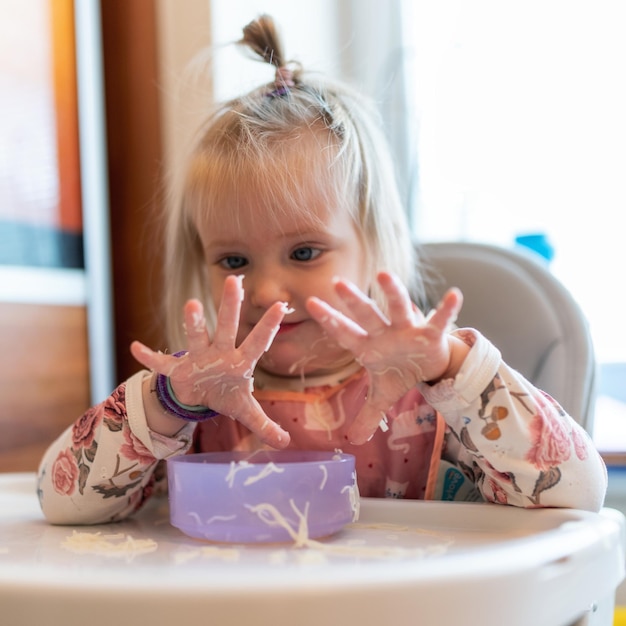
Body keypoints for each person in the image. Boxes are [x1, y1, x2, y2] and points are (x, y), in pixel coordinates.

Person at [37, 15, 606, 525]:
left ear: (375, 249)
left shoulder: (433, 399)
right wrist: (165, 404)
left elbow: (575, 495)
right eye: (233, 260)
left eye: (304, 252)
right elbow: (60, 502)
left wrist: (451, 372)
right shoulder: (195, 403)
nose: (265, 290)